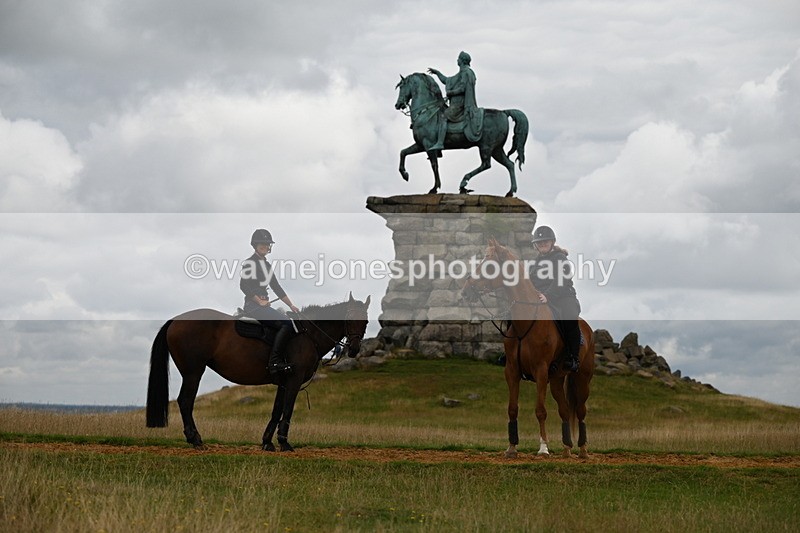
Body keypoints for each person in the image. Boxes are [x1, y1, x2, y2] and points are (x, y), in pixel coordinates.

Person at [240, 228, 300, 375]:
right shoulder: (249, 263)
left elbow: (276, 287)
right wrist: (258, 301)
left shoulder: (267, 266)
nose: (265, 246)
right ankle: (274, 362)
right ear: (255, 245)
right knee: (286, 324)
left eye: (267, 244)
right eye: (262, 243)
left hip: (263, 305)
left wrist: (291, 305)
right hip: (252, 306)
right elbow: (244, 285)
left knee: (289, 320)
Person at [528, 225, 582, 372]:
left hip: (563, 296)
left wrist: (548, 295)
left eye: (545, 241)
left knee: (570, 318)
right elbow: (529, 283)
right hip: (540, 298)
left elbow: (560, 280)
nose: (542, 244)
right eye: (539, 242)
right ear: (535, 246)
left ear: (552, 242)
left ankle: (573, 357)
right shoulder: (533, 264)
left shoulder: (560, 258)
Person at [427, 51, 484, 149]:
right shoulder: (462, 72)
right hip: (456, 104)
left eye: (458, 58)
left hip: (460, 105)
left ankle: (440, 143)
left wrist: (451, 93)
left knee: (443, 116)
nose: (457, 60)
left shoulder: (466, 73)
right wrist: (437, 73)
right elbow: (447, 80)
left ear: (462, 61)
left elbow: (462, 89)